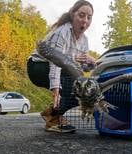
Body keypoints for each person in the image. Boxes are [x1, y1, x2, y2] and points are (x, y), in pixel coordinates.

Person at [27, 0, 96, 133]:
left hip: (62, 69)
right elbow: (56, 63)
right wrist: (56, 90)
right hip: (37, 67)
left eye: (89, 17)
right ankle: (53, 120)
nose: (85, 21)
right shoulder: (62, 32)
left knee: (83, 89)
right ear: (72, 14)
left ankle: (51, 113)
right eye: (81, 15)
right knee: (74, 84)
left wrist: (91, 64)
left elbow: (81, 70)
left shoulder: (85, 41)